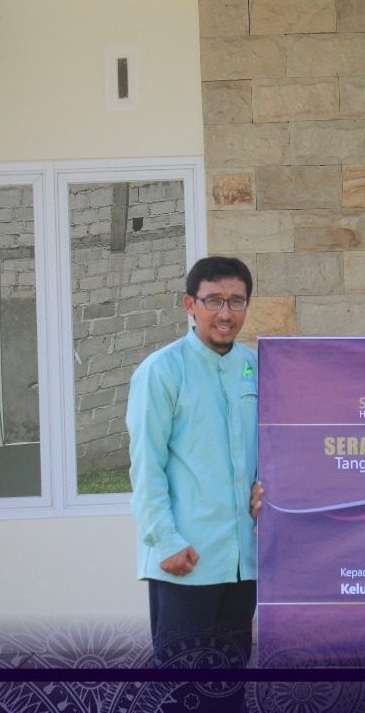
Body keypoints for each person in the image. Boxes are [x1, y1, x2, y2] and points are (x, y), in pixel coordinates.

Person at [127, 255, 263, 667]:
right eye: (213, 300)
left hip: (242, 562)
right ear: (190, 304)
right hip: (186, 558)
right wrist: (165, 540)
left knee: (230, 682)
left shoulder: (256, 367)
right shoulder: (161, 371)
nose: (225, 313)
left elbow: (271, 446)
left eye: (236, 301)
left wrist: (267, 489)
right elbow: (146, 465)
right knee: (184, 684)